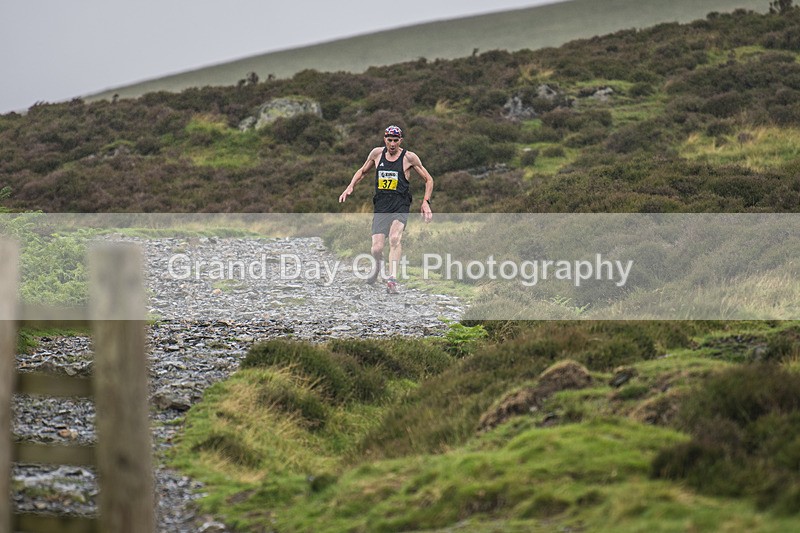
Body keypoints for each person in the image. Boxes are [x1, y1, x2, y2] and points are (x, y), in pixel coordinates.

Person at [339, 125, 434, 294]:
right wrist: (350, 186)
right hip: (381, 205)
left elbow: (428, 179)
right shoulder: (376, 154)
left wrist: (425, 201)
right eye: (389, 140)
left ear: (400, 141)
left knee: (395, 239)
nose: (392, 144)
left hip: (400, 203)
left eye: (395, 141)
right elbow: (362, 171)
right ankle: (377, 267)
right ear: (385, 140)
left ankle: (391, 279)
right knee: (376, 248)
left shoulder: (409, 158)